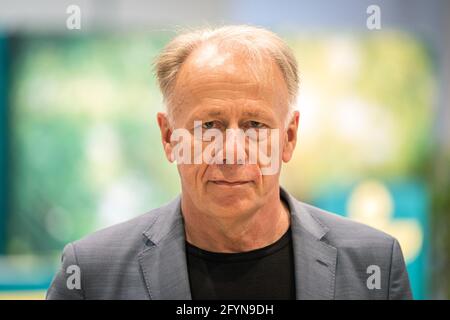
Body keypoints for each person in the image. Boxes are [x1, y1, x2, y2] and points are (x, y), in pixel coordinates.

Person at [47, 25, 412, 300]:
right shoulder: (91, 273)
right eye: (209, 126)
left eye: (255, 125)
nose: (232, 151)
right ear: (168, 137)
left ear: (288, 137)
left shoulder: (373, 264)